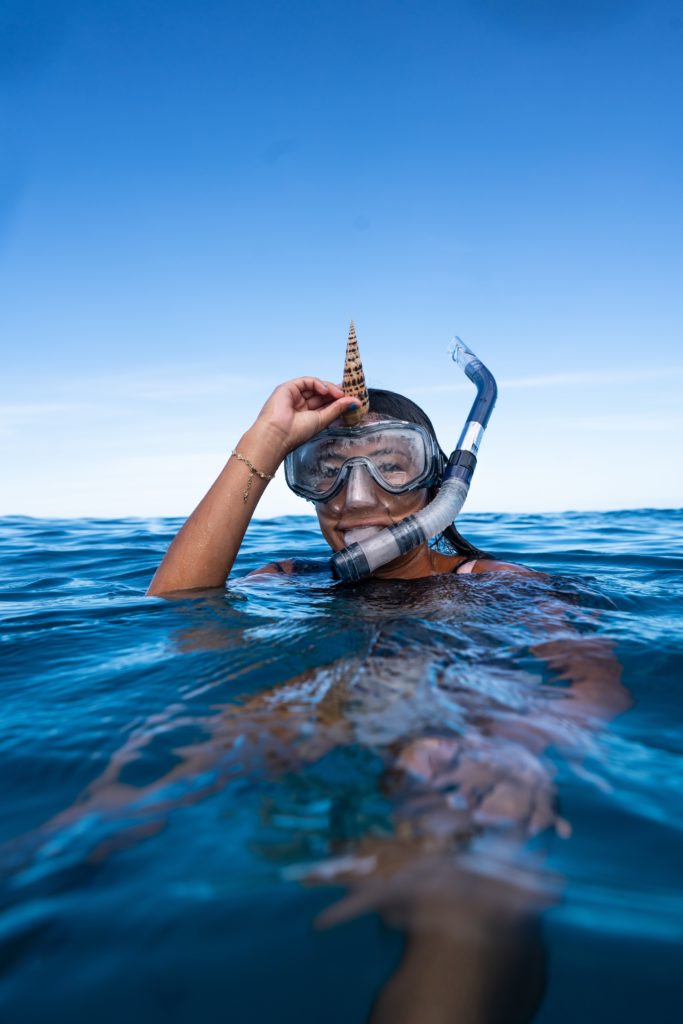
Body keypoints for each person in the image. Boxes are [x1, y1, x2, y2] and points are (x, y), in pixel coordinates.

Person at [147, 337, 522, 597]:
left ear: (438, 489)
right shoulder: (289, 581)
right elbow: (179, 619)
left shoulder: (492, 585)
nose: (356, 498)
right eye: (328, 472)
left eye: (389, 466)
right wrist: (267, 439)